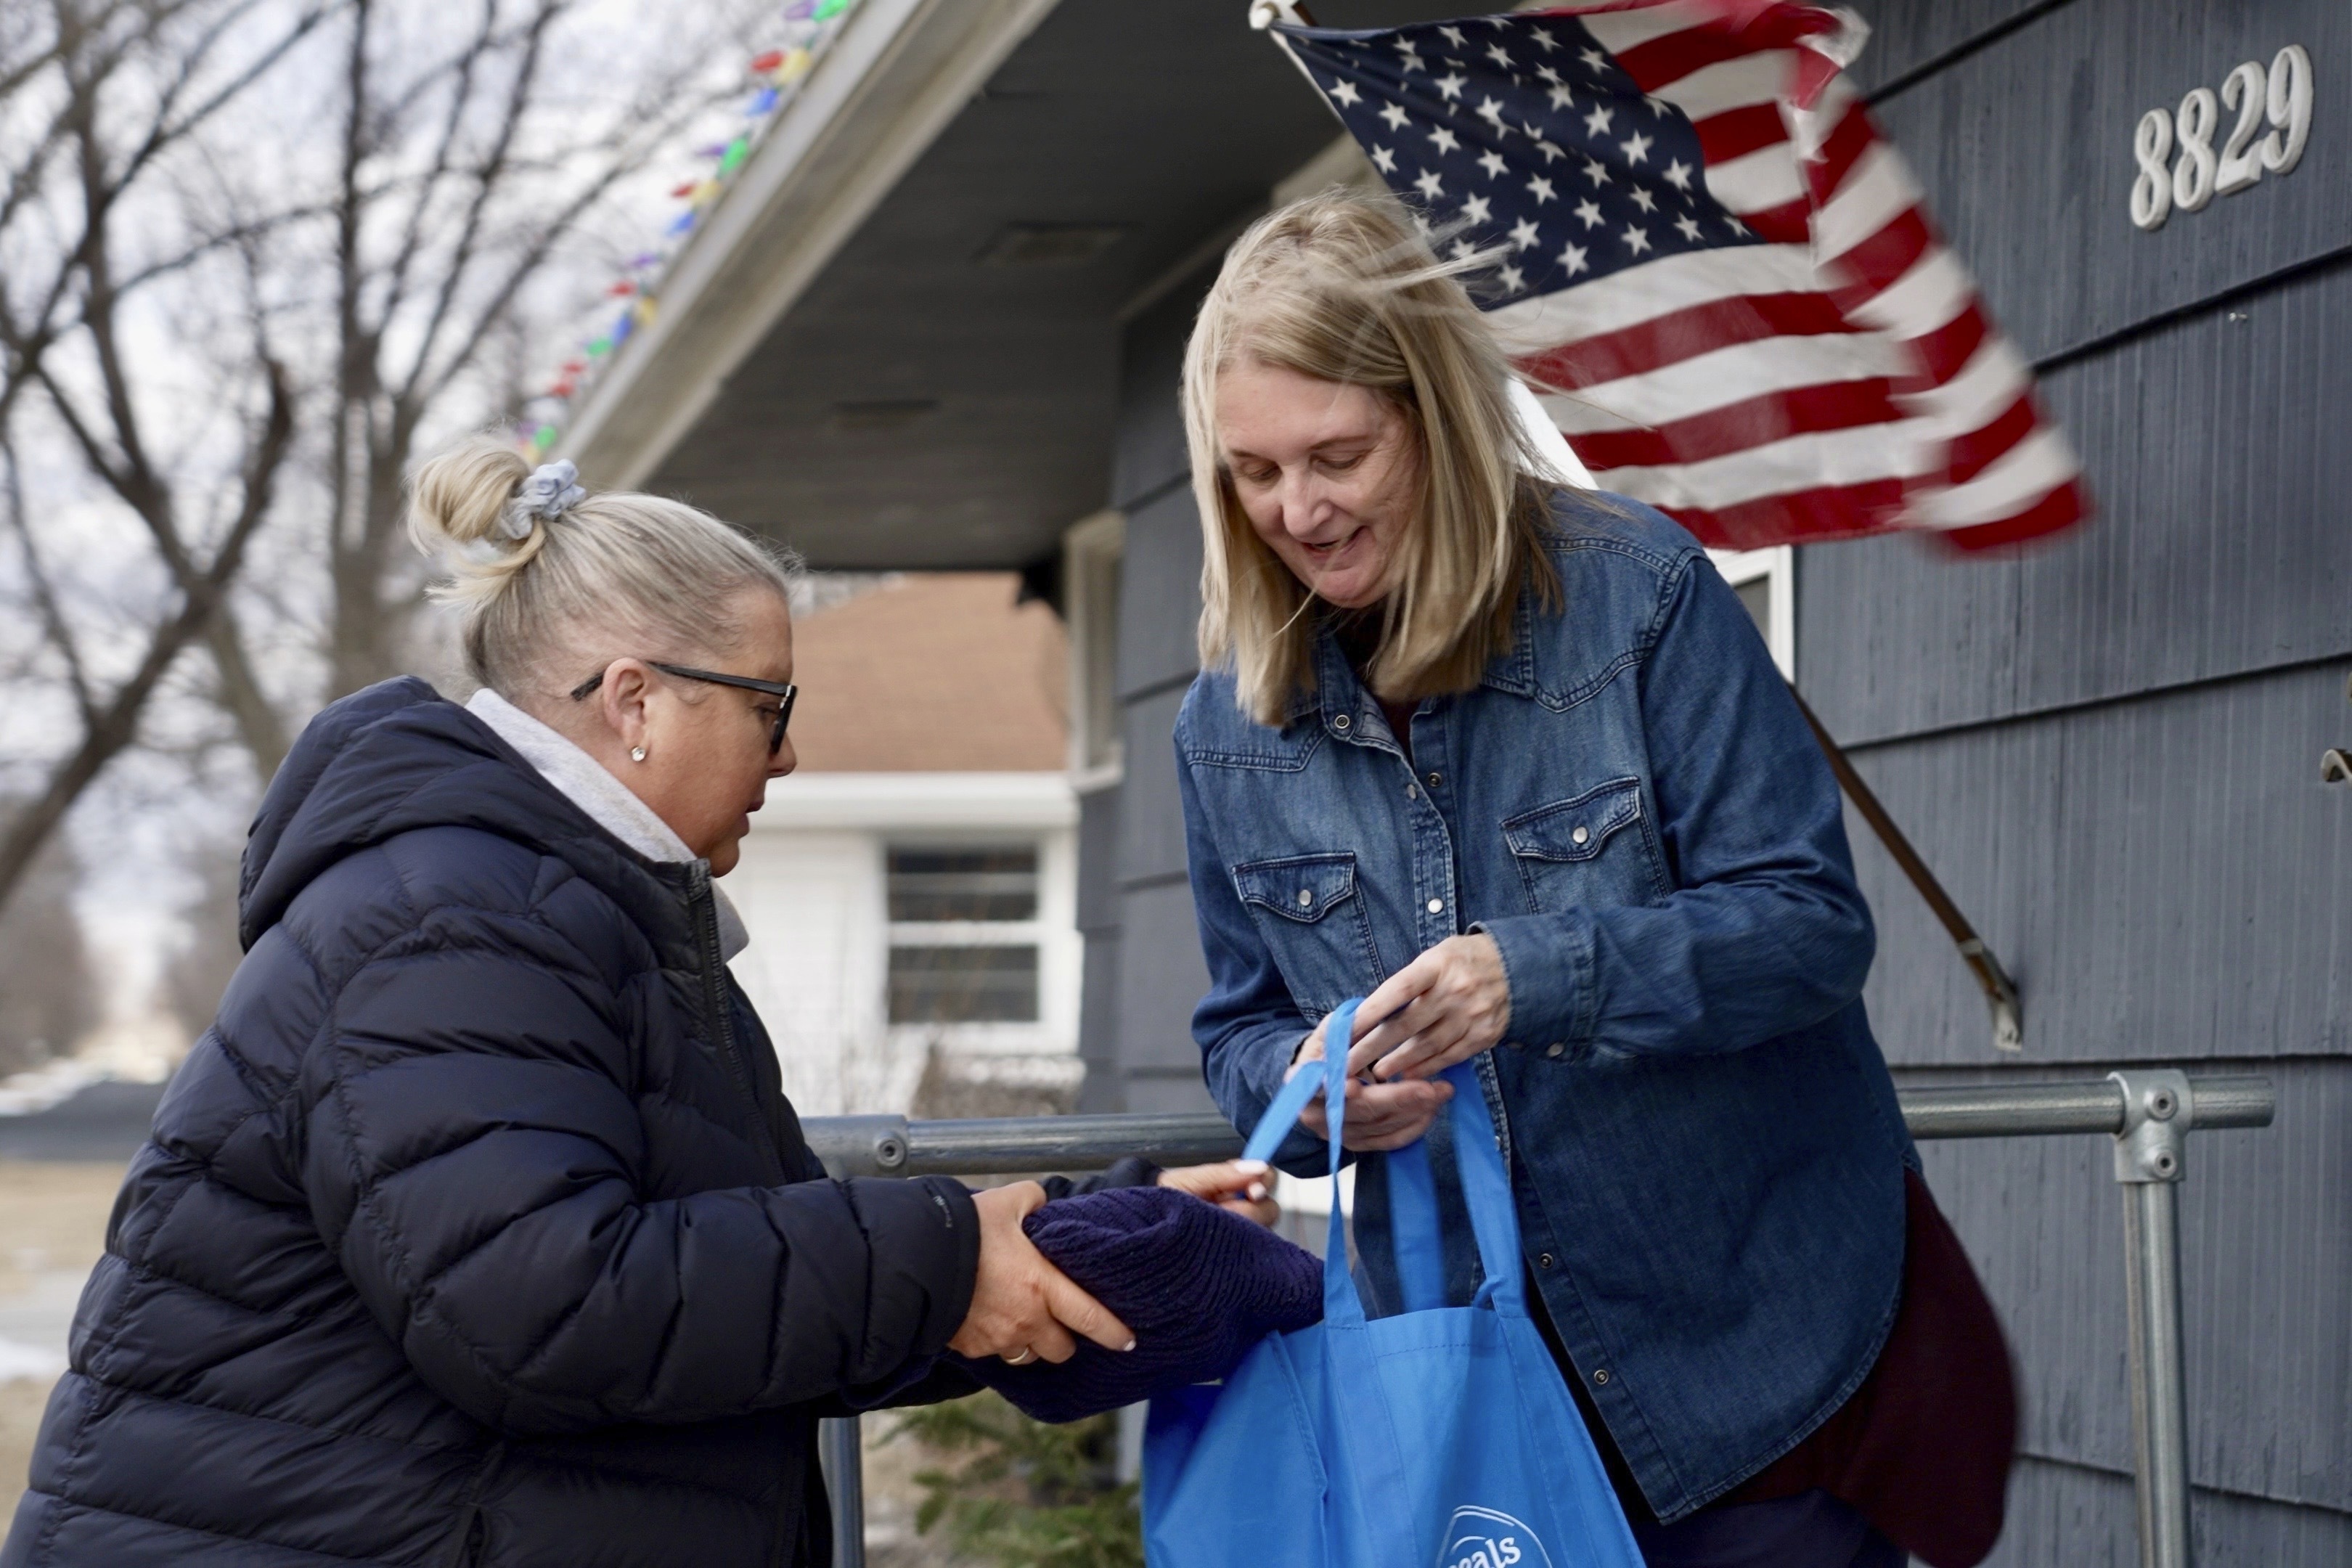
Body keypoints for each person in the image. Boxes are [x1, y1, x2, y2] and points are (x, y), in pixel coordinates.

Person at [0, 441, 1272, 1568]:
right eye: (771, 707)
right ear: (634, 700)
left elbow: (734, 1288)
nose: (789, 755)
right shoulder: (453, 918)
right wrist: (944, 1260)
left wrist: (1058, 1241)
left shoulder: (571, 912)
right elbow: (542, 1306)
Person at [1172, 193, 2014, 1568]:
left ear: (1436, 422)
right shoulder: (1226, 723)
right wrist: (1310, 1084)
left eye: (1337, 456)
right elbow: (1240, 1029)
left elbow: (1809, 930)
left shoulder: (1643, 599)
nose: (1299, 511)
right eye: (1253, 474)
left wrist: (1541, 974)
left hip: (1755, 1364)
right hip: (1469, 1389)